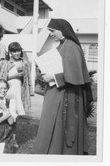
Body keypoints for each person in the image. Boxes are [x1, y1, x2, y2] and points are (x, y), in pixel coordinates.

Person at [34, 18, 94, 155]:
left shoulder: (72, 46)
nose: (51, 34)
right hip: (56, 93)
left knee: (61, 128)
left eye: (52, 31)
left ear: (62, 30)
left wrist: (53, 77)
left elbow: (74, 74)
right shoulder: (62, 45)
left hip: (67, 96)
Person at [0, 42, 33, 148]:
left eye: (18, 51)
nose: (16, 53)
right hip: (7, 91)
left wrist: (29, 91)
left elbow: (28, 79)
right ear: (10, 52)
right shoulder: (5, 63)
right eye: (14, 51)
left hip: (18, 91)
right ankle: (2, 137)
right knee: (5, 114)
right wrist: (14, 76)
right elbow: (0, 78)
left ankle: (13, 139)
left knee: (14, 116)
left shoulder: (25, 63)